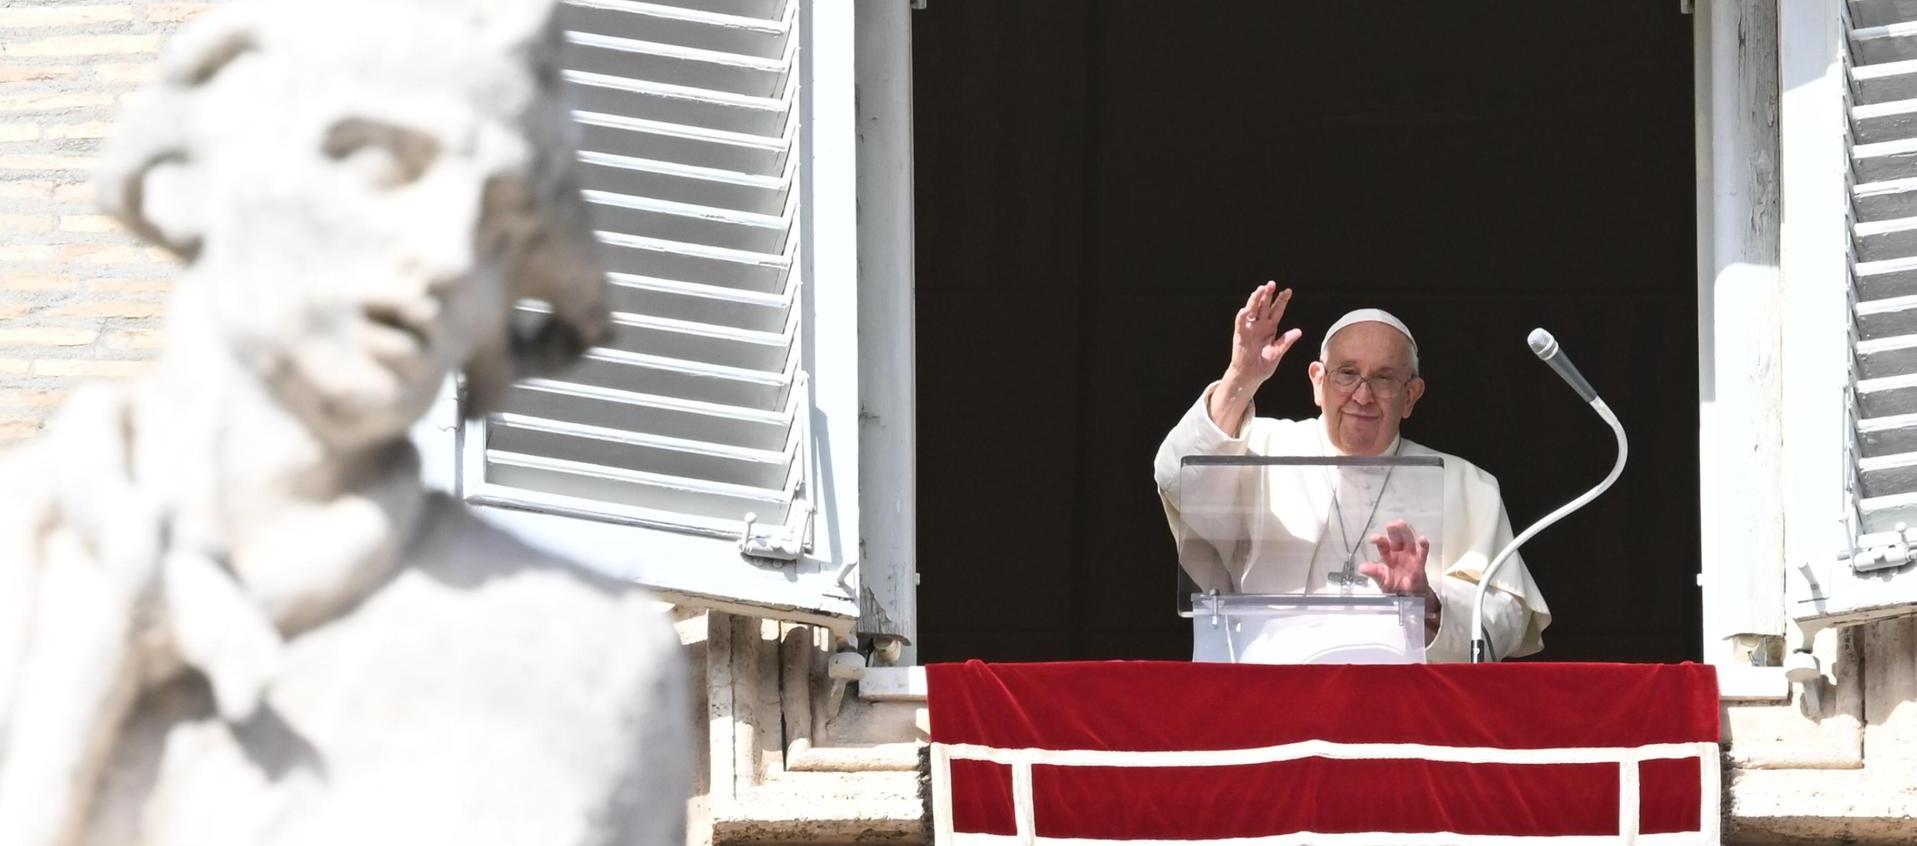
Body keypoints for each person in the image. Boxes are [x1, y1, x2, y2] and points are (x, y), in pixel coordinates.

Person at [1153, 283, 1549, 662]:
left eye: (1383, 378)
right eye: (1347, 373)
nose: (1362, 395)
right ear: (1317, 382)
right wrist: (1240, 378)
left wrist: (1428, 605)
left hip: (1403, 710)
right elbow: (1178, 478)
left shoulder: (1465, 484)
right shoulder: (1260, 447)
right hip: (1273, 696)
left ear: (1410, 396)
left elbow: (1506, 619)